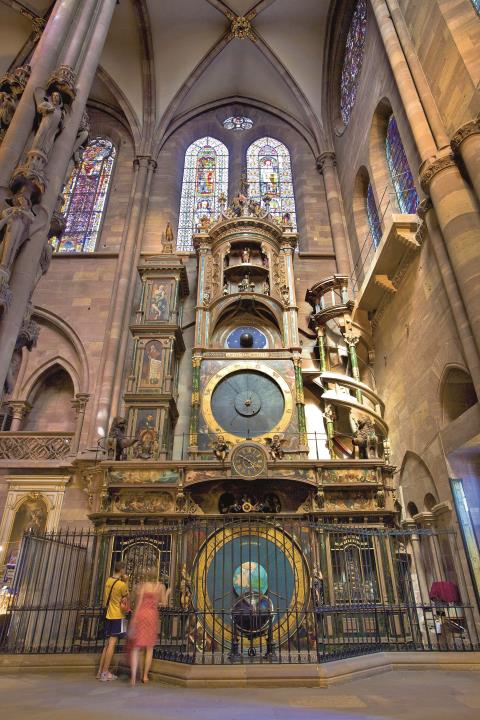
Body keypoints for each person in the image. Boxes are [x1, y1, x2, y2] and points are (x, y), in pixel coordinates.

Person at [129, 568, 167, 686]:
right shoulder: (160, 587)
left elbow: (139, 603)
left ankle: (134, 676)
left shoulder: (143, 586)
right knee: (149, 648)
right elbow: (163, 603)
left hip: (142, 614)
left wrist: (134, 619)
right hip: (152, 616)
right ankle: (145, 676)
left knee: (138, 646)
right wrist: (168, 593)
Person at [97, 562, 129, 681]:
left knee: (107, 644)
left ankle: (100, 671)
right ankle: (105, 673)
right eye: (124, 570)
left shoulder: (108, 581)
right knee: (112, 644)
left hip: (108, 614)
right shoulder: (122, 585)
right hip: (117, 615)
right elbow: (126, 601)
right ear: (121, 570)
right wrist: (126, 582)